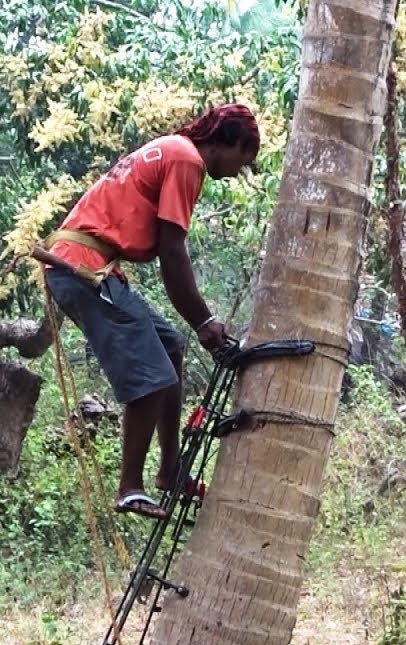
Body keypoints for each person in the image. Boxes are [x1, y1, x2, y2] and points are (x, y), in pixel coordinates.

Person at [42, 103, 260, 521]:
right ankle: (130, 488)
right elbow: (172, 253)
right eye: (242, 161)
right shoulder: (187, 160)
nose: (237, 172)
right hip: (83, 268)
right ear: (227, 142)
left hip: (89, 265)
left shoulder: (174, 151)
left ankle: (170, 469)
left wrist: (196, 325)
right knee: (153, 376)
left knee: (168, 346)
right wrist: (204, 320)